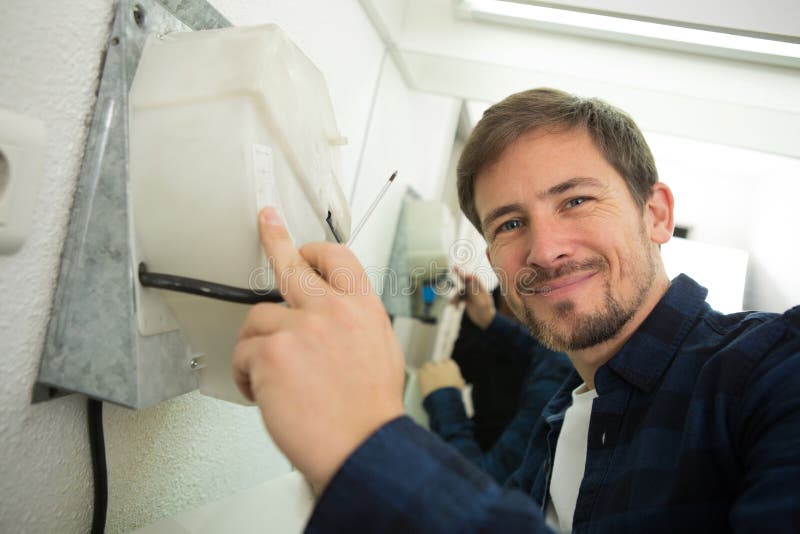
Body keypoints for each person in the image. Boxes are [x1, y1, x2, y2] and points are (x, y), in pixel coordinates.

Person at [233, 88, 800, 532]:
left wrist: (369, 441)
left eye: (575, 200)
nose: (546, 249)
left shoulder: (776, 372)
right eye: (509, 223)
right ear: (492, 259)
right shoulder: (560, 419)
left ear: (656, 214)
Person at [418, 271, 572, 484]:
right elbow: (542, 353)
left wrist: (444, 398)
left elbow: (480, 483)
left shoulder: (558, 385)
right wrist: (489, 319)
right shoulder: (563, 353)